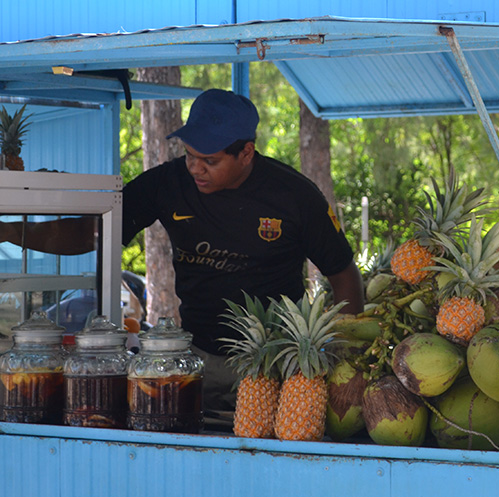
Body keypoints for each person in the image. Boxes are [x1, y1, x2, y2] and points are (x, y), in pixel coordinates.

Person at [0, 89, 365, 428]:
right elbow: (93, 232)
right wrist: (12, 232)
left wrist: (348, 362)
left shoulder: (296, 196)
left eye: (210, 160)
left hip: (273, 364)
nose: (195, 168)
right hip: (195, 357)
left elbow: (343, 274)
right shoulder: (166, 184)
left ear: (247, 153)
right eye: (189, 154)